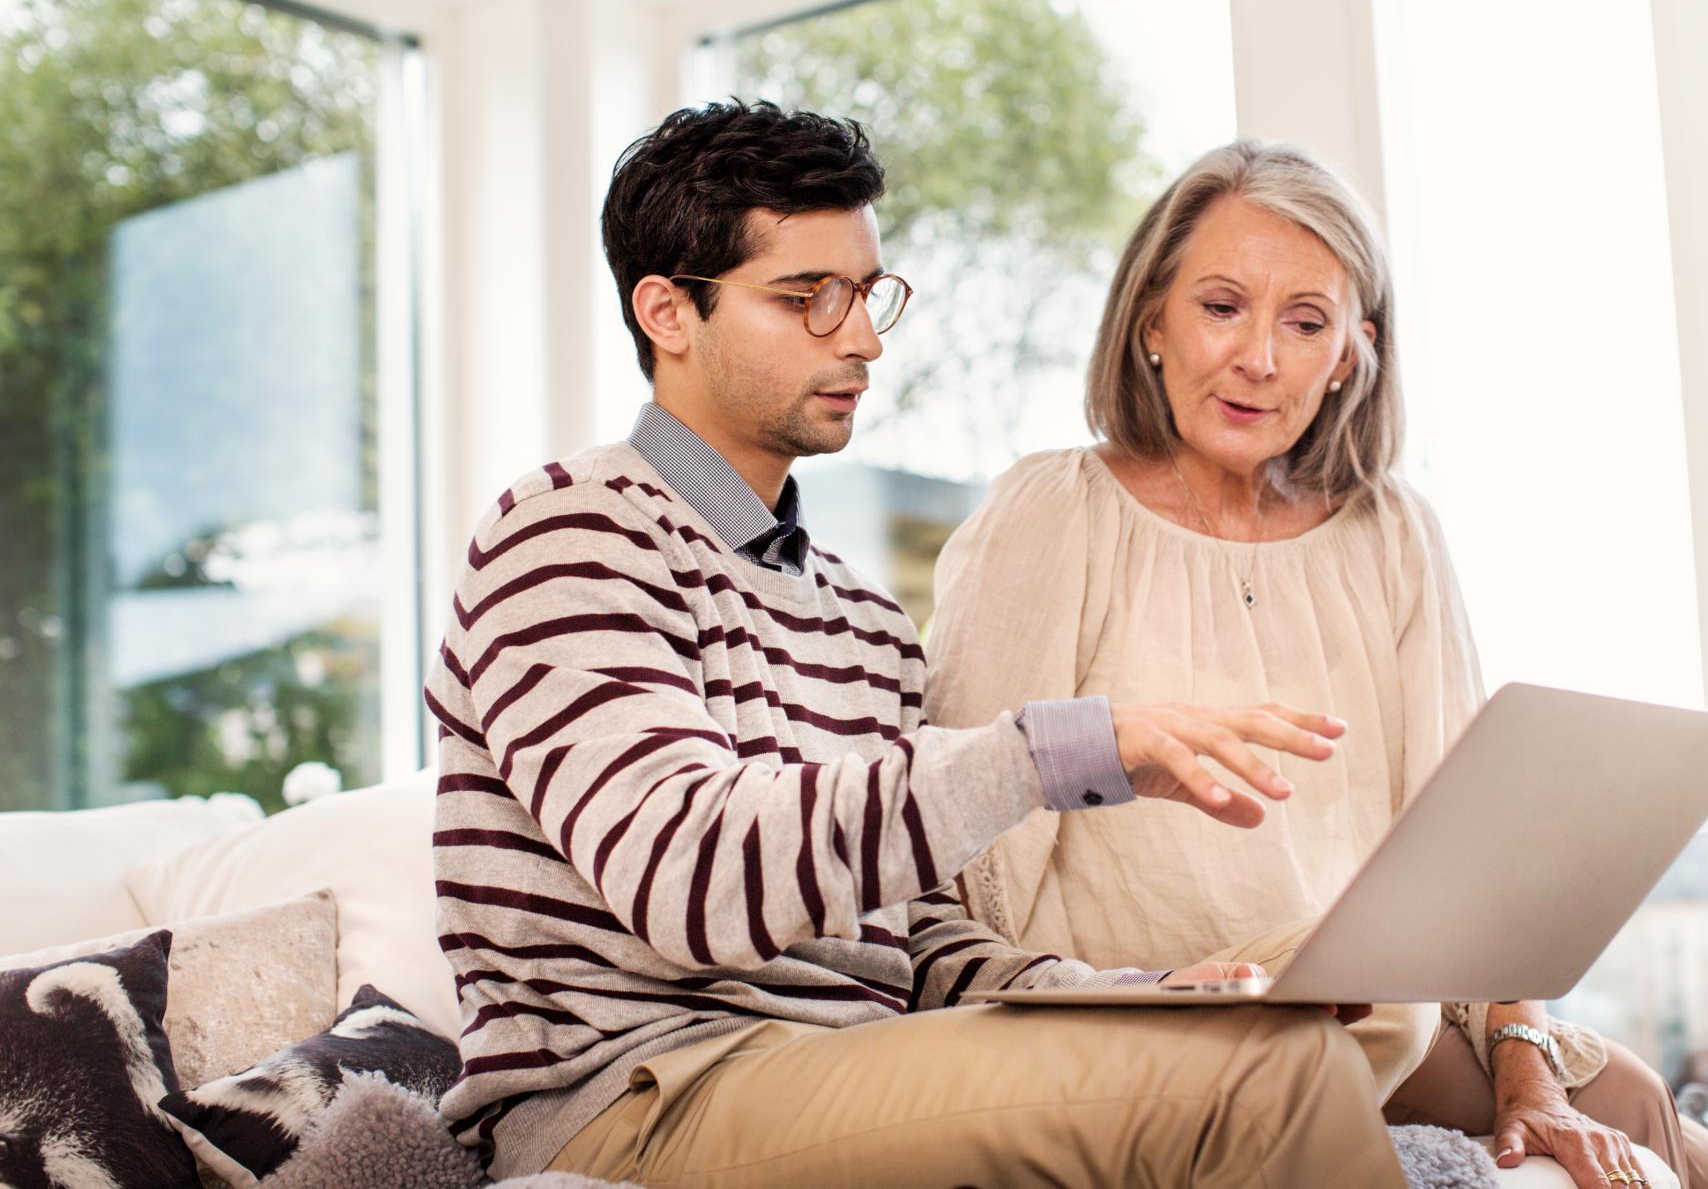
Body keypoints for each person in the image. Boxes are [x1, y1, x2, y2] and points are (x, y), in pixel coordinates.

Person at [422, 102, 1410, 1188]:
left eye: (867, 294)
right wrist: (1057, 751)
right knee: (1267, 1077)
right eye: (807, 299)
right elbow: (687, 878)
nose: (862, 339)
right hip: (644, 1097)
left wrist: (1128, 999)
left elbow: (917, 946)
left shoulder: (861, 618)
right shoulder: (568, 531)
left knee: (1277, 1031)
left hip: (846, 1069)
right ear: (667, 311)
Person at [925, 139, 1708, 1189]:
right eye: (1222, 305)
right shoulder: (1051, 511)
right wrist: (1125, 997)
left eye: (1304, 322)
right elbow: (964, 849)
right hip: (1155, 1016)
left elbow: (1474, 854)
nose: (1260, 357)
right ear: (1151, 325)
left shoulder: (1392, 531)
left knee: (1688, 1154)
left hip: (1376, 1014)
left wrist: (1524, 1061)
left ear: (1351, 353)